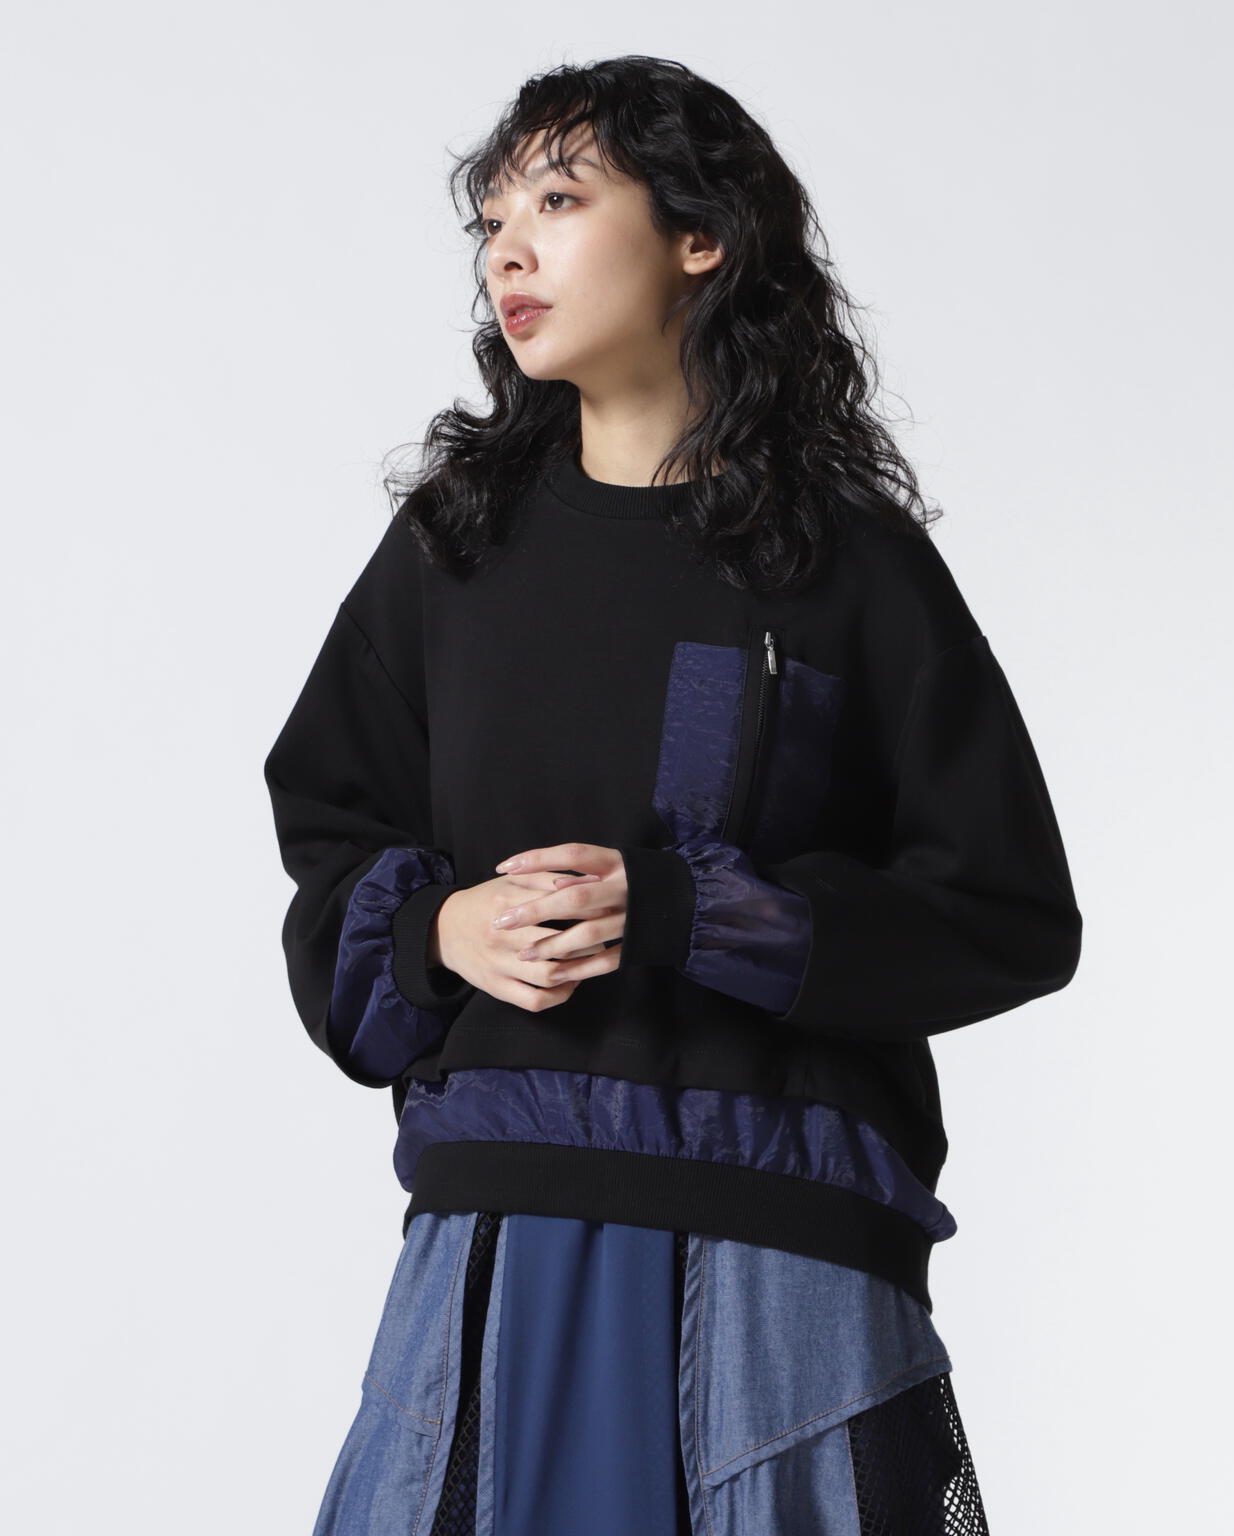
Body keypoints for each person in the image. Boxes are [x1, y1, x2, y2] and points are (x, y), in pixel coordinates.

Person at [263, 54, 1082, 1536]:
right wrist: (439, 932)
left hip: (780, 1256)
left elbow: (1008, 910)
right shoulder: (452, 555)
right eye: (494, 220)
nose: (509, 251)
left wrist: (703, 914)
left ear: (702, 236)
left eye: (560, 201)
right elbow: (331, 837)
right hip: (497, 1234)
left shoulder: (848, 563)